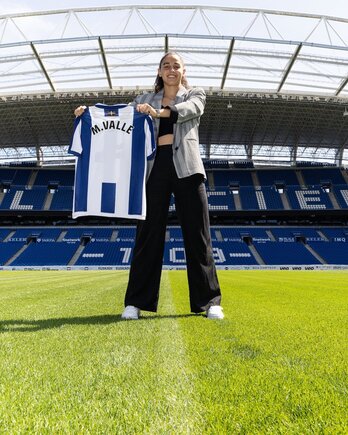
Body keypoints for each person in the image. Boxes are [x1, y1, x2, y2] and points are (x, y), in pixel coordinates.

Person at [74, 52, 223, 320]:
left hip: (187, 168)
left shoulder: (194, 94)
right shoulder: (144, 100)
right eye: (166, 65)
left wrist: (162, 112)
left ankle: (210, 302)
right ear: (159, 71)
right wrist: (89, 115)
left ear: (183, 70)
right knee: (147, 235)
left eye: (176, 65)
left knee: (199, 236)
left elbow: (193, 110)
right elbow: (117, 119)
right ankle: (135, 302)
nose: (171, 69)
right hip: (154, 169)